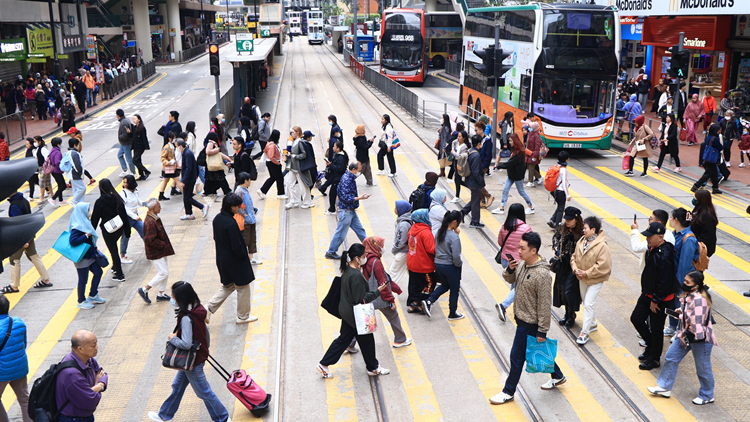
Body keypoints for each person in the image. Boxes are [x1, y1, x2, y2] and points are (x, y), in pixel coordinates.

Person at [490, 232, 566, 405]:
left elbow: (545, 305)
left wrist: (542, 331)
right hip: (522, 318)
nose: (519, 251)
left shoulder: (543, 275)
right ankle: (558, 376)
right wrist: (510, 268)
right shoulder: (523, 264)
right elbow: (511, 278)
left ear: (533, 251)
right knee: (536, 352)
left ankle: (508, 391)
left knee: (516, 357)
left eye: (522, 248)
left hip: (530, 323)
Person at [147, 282, 230, 422]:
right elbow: (206, 333)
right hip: (194, 358)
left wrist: (172, 338)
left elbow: (186, 344)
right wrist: (204, 349)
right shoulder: (198, 308)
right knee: (177, 387)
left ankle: (223, 418)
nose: (172, 298)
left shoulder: (186, 318)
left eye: (173, 296)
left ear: (181, 298)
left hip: (192, 361)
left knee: (204, 392)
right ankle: (164, 415)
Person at [317, 243, 390, 379]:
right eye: (364, 256)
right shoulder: (355, 275)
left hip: (346, 311)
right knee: (366, 340)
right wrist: (378, 291)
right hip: (355, 315)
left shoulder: (348, 270)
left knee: (344, 340)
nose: (365, 258)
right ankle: (373, 368)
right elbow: (360, 299)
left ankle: (324, 364)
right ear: (357, 258)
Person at [647, 271, 717, 405]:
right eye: (684, 281)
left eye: (687, 282)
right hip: (686, 335)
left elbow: (697, 324)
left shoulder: (700, 300)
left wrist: (682, 316)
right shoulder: (690, 295)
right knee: (671, 357)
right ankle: (664, 387)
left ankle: (707, 394)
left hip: (699, 339)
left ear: (696, 286)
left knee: (703, 367)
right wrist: (681, 311)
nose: (684, 284)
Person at [630, 222, 678, 370]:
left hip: (660, 299)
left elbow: (665, 281)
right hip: (648, 294)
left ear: (661, 237)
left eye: (650, 236)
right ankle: (651, 347)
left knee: (657, 329)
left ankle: (654, 358)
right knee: (636, 318)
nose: (647, 239)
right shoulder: (653, 248)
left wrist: (655, 300)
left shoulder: (665, 255)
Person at [206, 193, 257, 324]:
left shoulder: (217, 219)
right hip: (235, 262)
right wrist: (244, 257)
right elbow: (237, 247)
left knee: (228, 286)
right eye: (238, 206)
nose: (239, 208)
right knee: (243, 287)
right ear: (232, 207)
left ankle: (208, 308)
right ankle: (243, 316)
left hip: (222, 260)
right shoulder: (231, 224)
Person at [362, 236, 412, 347]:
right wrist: (391, 299)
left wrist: (396, 288)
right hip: (379, 296)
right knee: (393, 316)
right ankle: (400, 339)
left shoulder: (363, 259)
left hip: (366, 296)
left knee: (361, 320)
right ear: (375, 246)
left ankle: (350, 343)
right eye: (382, 246)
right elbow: (383, 282)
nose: (383, 248)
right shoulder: (376, 262)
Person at [570, 216, 612, 345]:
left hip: (595, 279)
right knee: (586, 302)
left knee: (588, 304)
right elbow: (574, 257)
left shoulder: (602, 246)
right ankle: (592, 323)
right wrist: (575, 269)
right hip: (581, 278)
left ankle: (584, 333)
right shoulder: (582, 241)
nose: (583, 230)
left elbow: (603, 265)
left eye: (585, 228)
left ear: (593, 230)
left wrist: (587, 273)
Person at [3, 191, 52, 293]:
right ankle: (46, 279)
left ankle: (14, 285)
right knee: (33, 255)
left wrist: (22, 240)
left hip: (20, 236)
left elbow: (18, 224)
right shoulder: (23, 200)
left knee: (14, 258)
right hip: (29, 232)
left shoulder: (14, 205)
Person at [55, 330, 108, 421]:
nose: (97, 347)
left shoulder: (89, 360)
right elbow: (90, 401)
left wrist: (98, 386)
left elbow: (103, 374)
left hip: (84, 416)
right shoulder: (71, 375)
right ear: (80, 349)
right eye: (93, 345)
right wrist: (98, 385)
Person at [422, 210, 465, 320]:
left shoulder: (439, 233)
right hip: (450, 266)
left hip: (438, 264)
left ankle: (429, 301)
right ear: (455, 222)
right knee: (454, 289)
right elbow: (456, 257)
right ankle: (452, 313)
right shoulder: (454, 237)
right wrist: (459, 264)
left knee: (445, 285)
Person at [664, 207, 699, 338]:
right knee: (673, 303)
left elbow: (684, 264)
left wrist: (679, 283)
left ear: (676, 220)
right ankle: (672, 326)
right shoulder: (675, 234)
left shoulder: (688, 239)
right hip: (674, 276)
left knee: (681, 304)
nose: (670, 220)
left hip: (682, 278)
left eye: (671, 218)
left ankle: (681, 330)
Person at [495, 204, 533, 322]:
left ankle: (516, 307)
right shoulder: (526, 228)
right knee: (520, 286)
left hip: (505, 260)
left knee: (515, 283)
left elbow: (500, 242)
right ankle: (503, 305)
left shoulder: (504, 226)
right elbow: (529, 246)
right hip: (518, 262)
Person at [325, 162, 369, 259]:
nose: (359, 173)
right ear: (353, 169)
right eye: (359, 171)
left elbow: (339, 192)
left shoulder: (349, 178)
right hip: (346, 212)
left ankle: (369, 248)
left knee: (360, 230)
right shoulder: (347, 180)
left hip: (351, 211)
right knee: (340, 233)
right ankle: (331, 252)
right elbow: (346, 198)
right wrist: (359, 198)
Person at [135, 199, 175, 304]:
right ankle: (144, 289)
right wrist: (162, 244)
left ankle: (161, 294)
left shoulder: (153, 218)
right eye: (159, 206)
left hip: (160, 251)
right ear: (153, 208)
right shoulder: (151, 222)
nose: (160, 208)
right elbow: (150, 239)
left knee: (165, 272)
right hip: (156, 252)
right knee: (163, 272)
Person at [91, 179, 130, 282]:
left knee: (113, 252)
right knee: (114, 251)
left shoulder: (99, 202)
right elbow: (124, 215)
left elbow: (94, 219)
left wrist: (91, 233)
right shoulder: (117, 198)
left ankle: (120, 275)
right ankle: (115, 267)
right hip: (119, 228)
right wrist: (127, 231)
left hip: (108, 231)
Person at [0, 295, 31, 422]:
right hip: (20, 368)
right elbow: (24, 344)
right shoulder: (18, 322)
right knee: (24, 399)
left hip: (2, 372)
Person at [69, 203, 106, 309]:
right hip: (82, 258)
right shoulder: (77, 227)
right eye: (87, 210)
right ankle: (81, 301)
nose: (89, 212)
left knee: (98, 272)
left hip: (90, 255)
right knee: (83, 279)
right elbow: (73, 241)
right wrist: (86, 235)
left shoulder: (84, 222)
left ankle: (93, 295)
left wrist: (94, 248)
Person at [491, 134, 535, 216]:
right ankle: (501, 207)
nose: (510, 142)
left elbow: (510, 163)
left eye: (511, 141)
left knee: (521, 192)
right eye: (509, 141)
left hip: (517, 176)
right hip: (511, 175)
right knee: (505, 190)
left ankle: (531, 207)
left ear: (515, 141)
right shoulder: (515, 149)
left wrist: (498, 166)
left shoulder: (519, 152)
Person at [406, 209, 436, 313]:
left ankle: (412, 304)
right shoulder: (426, 232)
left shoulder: (412, 230)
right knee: (429, 284)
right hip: (424, 265)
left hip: (412, 263)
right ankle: (418, 302)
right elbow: (431, 249)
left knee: (414, 284)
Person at [175, 139, 209, 220]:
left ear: (180, 146)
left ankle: (203, 207)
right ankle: (189, 213)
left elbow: (189, 168)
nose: (176, 148)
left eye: (176, 146)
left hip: (189, 179)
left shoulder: (187, 154)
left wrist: (184, 181)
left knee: (187, 197)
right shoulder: (186, 152)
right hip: (190, 178)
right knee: (186, 197)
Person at [235, 172, 261, 265]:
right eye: (249, 180)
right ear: (245, 181)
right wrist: (245, 215)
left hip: (251, 219)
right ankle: (243, 259)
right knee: (245, 240)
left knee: (252, 239)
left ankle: (251, 258)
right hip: (245, 221)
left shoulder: (246, 190)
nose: (250, 181)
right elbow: (236, 206)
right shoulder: (239, 191)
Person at [118, 175, 145, 264]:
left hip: (135, 217)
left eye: (126, 182)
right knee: (125, 237)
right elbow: (125, 209)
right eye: (124, 182)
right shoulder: (123, 193)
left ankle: (150, 250)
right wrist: (135, 217)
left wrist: (147, 203)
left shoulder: (135, 191)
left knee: (145, 232)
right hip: (127, 219)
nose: (125, 184)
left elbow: (138, 202)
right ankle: (122, 256)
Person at [691, 124, 723, 194]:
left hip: (707, 157)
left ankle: (715, 188)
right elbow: (720, 147)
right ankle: (696, 185)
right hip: (712, 158)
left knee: (714, 174)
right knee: (707, 174)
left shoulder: (708, 136)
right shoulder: (715, 138)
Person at [286, 130, 315, 209]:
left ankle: (307, 202)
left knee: (303, 185)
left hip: (299, 168)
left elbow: (304, 154)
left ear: (297, 132)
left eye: (293, 132)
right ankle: (293, 201)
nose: (291, 133)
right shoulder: (294, 141)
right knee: (289, 183)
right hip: (293, 167)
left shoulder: (300, 142)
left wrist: (295, 156)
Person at [257, 129, 286, 199]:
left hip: (271, 163)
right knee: (279, 178)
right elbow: (271, 156)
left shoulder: (269, 143)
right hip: (273, 163)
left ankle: (262, 190)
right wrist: (278, 163)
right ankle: (280, 194)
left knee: (273, 178)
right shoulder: (272, 145)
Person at [323, 140, 349, 215]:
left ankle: (332, 209)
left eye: (334, 146)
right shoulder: (338, 154)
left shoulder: (341, 157)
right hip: (336, 178)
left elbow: (339, 169)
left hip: (338, 178)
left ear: (338, 148)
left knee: (333, 193)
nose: (333, 147)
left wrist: (330, 165)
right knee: (338, 193)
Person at [691, 190, 718, 258]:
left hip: (702, 248)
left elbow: (707, 234)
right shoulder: (700, 210)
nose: (694, 200)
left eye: (696, 198)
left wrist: (696, 244)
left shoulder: (706, 215)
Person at [391, 200, 412, 287]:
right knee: (410, 272)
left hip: (403, 252)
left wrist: (394, 249)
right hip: (405, 251)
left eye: (396, 207)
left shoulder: (404, 224)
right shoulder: (402, 220)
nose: (395, 209)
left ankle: (389, 295)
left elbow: (401, 241)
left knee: (393, 273)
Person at [447, 130, 468, 203]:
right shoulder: (456, 142)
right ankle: (471, 188)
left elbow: (460, 157)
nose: (458, 138)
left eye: (459, 136)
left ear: (464, 138)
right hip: (455, 163)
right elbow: (453, 142)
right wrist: (453, 149)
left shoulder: (464, 147)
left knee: (457, 179)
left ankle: (457, 196)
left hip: (461, 165)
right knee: (457, 180)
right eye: (458, 136)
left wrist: (454, 153)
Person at [66, 137, 87, 206]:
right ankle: (74, 200)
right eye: (78, 144)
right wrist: (80, 173)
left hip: (71, 174)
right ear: (75, 145)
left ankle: (78, 203)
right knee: (82, 188)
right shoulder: (75, 153)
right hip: (75, 174)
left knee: (76, 189)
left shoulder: (69, 152)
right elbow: (77, 165)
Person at [116, 109, 135, 177]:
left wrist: (120, 136)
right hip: (123, 143)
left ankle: (133, 172)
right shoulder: (125, 120)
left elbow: (125, 135)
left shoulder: (123, 122)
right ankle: (125, 170)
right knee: (119, 155)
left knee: (129, 159)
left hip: (126, 143)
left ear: (118, 115)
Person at [32, 136, 52, 203]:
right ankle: (52, 194)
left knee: (41, 182)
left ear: (39, 141)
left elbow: (47, 159)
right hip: (40, 167)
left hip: (45, 167)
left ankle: (42, 197)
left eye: (35, 141)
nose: (34, 143)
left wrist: (46, 168)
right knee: (47, 182)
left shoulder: (43, 149)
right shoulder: (37, 149)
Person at [131, 114, 151, 180]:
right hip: (135, 146)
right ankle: (141, 175)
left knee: (134, 160)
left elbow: (144, 137)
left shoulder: (142, 128)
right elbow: (133, 136)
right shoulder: (134, 127)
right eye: (133, 119)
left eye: (135, 119)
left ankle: (146, 171)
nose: (133, 120)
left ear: (139, 120)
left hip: (140, 147)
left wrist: (146, 146)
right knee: (138, 160)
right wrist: (129, 133)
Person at [48, 137, 66, 207]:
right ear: (58, 144)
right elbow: (57, 162)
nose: (61, 144)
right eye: (61, 143)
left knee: (60, 185)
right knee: (63, 186)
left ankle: (61, 201)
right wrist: (62, 168)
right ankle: (53, 198)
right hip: (57, 171)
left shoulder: (52, 150)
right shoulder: (57, 152)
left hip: (53, 171)